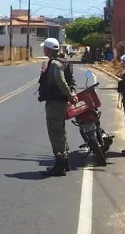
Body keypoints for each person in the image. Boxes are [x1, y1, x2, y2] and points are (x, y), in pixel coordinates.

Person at [38, 37, 72, 176]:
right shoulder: (62, 62)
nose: (43, 50)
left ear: (48, 49)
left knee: (55, 133)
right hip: (59, 103)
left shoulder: (55, 65)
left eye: (44, 48)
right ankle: (64, 162)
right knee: (61, 131)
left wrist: (69, 95)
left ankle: (59, 165)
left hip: (55, 104)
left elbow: (62, 83)